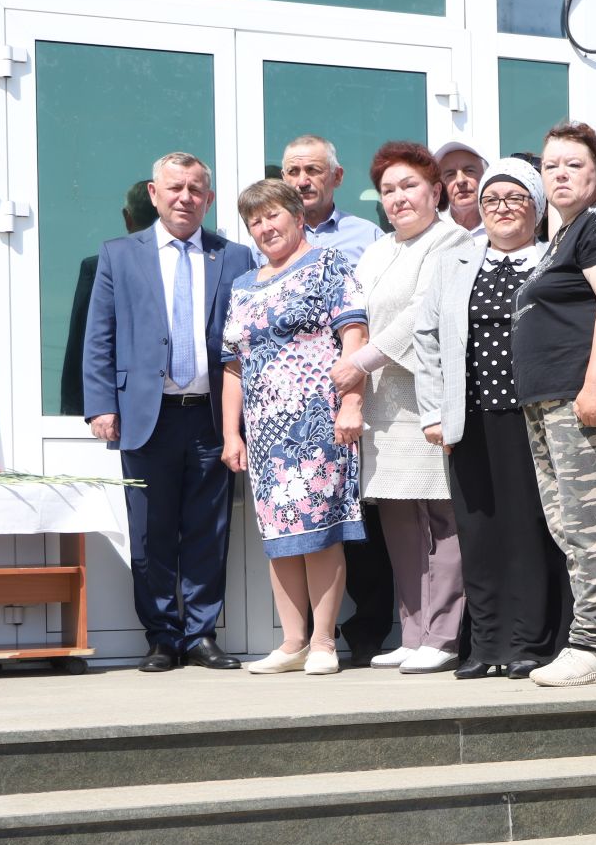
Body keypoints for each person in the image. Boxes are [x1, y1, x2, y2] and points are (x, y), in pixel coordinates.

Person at [82, 151, 256, 672]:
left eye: (196, 189)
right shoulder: (119, 255)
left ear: (209, 198)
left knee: (209, 528)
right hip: (145, 415)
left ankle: (201, 634)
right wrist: (100, 406)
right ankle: (161, 635)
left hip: (209, 417)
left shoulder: (235, 257)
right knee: (151, 531)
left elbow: (245, 341)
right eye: (175, 188)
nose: (185, 198)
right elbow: (100, 336)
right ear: (154, 194)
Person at [416, 157, 571, 679]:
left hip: (537, 417)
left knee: (531, 530)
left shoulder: (554, 258)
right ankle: (485, 646)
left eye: (515, 199)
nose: (502, 209)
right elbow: (427, 337)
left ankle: (531, 641)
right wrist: (433, 412)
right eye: (491, 200)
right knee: (479, 532)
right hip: (471, 417)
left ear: (537, 206)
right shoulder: (452, 263)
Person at [219, 179, 368, 676]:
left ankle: (324, 643)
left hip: (317, 421)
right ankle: (292, 642)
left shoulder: (329, 265)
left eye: (272, 216)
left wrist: (350, 405)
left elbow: (355, 335)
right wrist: (231, 433)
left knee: (321, 531)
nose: (264, 227)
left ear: (296, 215)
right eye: (254, 221)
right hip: (264, 433)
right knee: (279, 533)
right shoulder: (244, 286)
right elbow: (233, 366)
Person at [333, 142, 470, 674]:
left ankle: (443, 634)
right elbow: (353, 315)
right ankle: (413, 633)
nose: (398, 198)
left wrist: (360, 363)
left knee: (440, 521)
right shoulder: (376, 250)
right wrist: (356, 376)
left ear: (435, 191)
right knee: (398, 522)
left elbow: (422, 314)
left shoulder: (450, 239)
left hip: (425, 403)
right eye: (388, 190)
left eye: (409, 186)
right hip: (383, 412)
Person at [515, 122, 596, 686]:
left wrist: (595, 386)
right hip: (546, 401)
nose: (559, 175)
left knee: (589, 523)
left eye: (573, 165)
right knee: (567, 523)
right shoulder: (560, 236)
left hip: (578, 397)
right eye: (550, 166)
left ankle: (589, 643)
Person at [61, 180, 158, 417]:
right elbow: (85, 342)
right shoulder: (101, 266)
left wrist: (74, 407)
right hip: (116, 411)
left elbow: (80, 344)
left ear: (128, 217)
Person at [266, 134, 382, 266]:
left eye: (313, 170)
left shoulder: (368, 237)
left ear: (337, 176)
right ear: (284, 179)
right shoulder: (267, 239)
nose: (303, 182)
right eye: (293, 172)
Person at [436, 142, 489, 238]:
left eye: (469, 171)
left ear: (485, 176)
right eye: (450, 174)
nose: (460, 181)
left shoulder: (501, 226)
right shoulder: (433, 230)